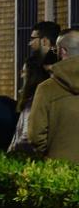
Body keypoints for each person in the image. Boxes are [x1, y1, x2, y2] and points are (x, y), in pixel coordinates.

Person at [27, 29, 79, 162]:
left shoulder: (46, 89)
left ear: (62, 51)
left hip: (59, 172)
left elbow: (35, 136)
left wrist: (51, 154)